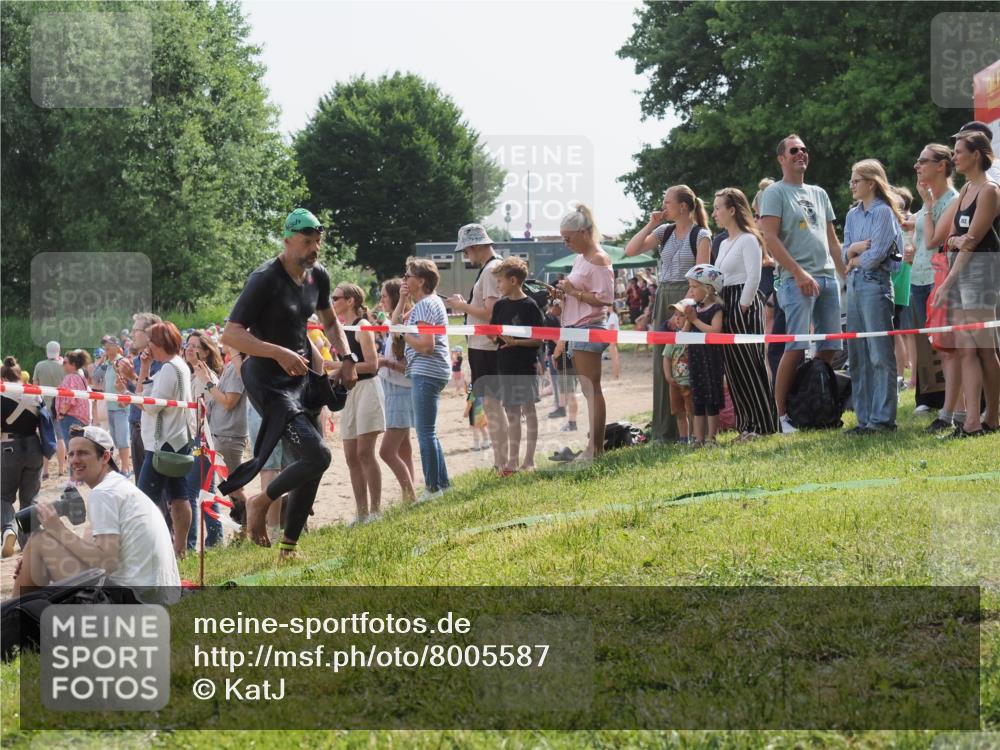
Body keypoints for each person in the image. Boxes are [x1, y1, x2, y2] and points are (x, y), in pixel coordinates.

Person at [219, 208, 356, 558]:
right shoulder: (264, 278)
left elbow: (329, 322)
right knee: (318, 454)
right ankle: (259, 503)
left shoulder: (317, 276)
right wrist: (278, 352)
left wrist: (346, 357)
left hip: (301, 376)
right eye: (307, 242)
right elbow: (231, 335)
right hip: (267, 380)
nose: (314, 249)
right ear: (287, 241)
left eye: (317, 242)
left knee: (313, 463)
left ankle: (289, 549)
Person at [12, 425, 180, 602]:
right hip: (158, 598)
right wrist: (34, 561)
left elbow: (107, 561)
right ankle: (19, 619)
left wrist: (57, 528)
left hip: (133, 602)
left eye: (83, 453)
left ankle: (9, 624)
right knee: (39, 552)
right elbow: (93, 552)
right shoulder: (118, 486)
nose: (74, 460)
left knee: (39, 541)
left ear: (105, 457)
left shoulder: (104, 493)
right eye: (71, 454)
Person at [759, 134, 847, 434]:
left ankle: (815, 404)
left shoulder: (820, 193)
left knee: (831, 346)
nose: (801, 154)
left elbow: (832, 241)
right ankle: (780, 416)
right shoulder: (775, 192)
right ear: (782, 158)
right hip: (795, 280)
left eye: (804, 150)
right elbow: (769, 238)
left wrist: (845, 276)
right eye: (794, 150)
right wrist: (797, 273)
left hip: (826, 277)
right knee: (795, 346)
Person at [624, 184, 712, 443]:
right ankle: (664, 430)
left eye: (667, 202)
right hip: (664, 297)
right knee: (663, 364)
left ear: (683, 206)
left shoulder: (701, 235)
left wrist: (686, 310)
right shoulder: (664, 231)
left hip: (686, 301)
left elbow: (701, 279)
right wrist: (650, 225)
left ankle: (694, 432)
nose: (663, 207)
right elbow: (631, 250)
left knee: (687, 364)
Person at [929, 130, 1000, 437]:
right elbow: (949, 238)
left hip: (982, 273)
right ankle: (971, 420)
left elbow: (971, 242)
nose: (954, 156)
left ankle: (992, 416)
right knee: (966, 349)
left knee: (984, 348)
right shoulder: (967, 189)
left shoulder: (989, 191)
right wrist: (958, 240)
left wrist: (947, 283)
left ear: (977, 155)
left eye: (959, 152)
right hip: (961, 272)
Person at [116, 321, 194, 557]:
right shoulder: (174, 366)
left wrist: (127, 396)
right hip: (174, 441)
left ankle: (149, 553)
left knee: (143, 502)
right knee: (179, 498)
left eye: (150, 341)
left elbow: (150, 407)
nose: (147, 345)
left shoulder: (171, 368)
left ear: (159, 343)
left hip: (162, 444)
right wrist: (144, 369)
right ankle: (179, 550)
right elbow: (146, 395)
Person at [841, 159, 905, 433]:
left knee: (879, 354)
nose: (852, 185)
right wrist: (853, 250)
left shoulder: (883, 213)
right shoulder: (852, 215)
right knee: (857, 354)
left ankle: (883, 419)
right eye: (851, 181)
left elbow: (876, 255)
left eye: (856, 180)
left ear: (871, 183)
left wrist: (855, 259)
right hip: (854, 286)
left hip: (875, 284)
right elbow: (845, 251)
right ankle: (864, 418)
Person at [712, 188, 778, 438]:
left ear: (732, 210)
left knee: (751, 365)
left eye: (719, 208)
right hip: (725, 302)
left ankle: (763, 424)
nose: (715, 213)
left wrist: (744, 305)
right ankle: (747, 424)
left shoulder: (748, 239)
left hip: (743, 303)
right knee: (735, 369)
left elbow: (754, 275)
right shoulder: (725, 242)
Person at [446, 224, 509, 472]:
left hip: (487, 347)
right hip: (485, 346)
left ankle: (502, 461)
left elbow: (490, 312)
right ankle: (502, 460)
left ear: (474, 246)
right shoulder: (493, 267)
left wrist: (463, 306)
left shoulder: (492, 269)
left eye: (466, 251)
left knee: (492, 406)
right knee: (491, 406)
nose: (465, 256)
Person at [556, 204, 615, 460]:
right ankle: (594, 448)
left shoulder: (599, 259)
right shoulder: (581, 259)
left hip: (589, 328)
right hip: (577, 328)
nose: (565, 243)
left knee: (592, 390)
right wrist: (563, 295)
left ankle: (596, 449)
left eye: (568, 238)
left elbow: (606, 299)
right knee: (588, 390)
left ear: (582, 233)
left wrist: (573, 293)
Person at [913, 143, 960, 427]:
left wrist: (928, 208)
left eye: (923, 161)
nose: (917, 166)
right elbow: (921, 237)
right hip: (918, 279)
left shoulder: (951, 199)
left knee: (947, 349)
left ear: (941, 166)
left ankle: (948, 413)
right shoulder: (928, 199)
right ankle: (938, 404)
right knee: (934, 349)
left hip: (937, 280)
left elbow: (932, 241)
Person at [398, 257, 451, 500]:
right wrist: (401, 300)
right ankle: (442, 484)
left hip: (427, 370)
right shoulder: (429, 303)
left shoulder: (425, 306)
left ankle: (432, 488)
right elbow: (395, 320)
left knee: (425, 433)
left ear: (421, 280)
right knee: (430, 431)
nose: (404, 279)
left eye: (408, 275)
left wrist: (404, 335)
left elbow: (427, 346)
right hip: (431, 371)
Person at [332, 283, 385, 523]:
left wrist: (337, 367)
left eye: (337, 298)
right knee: (351, 455)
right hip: (350, 391)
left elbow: (372, 364)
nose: (333, 302)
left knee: (365, 452)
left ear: (350, 300)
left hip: (367, 389)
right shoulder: (341, 329)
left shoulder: (362, 326)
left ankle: (375, 510)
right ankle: (361, 512)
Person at [489, 257, 544, 473]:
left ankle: (529, 460)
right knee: (511, 413)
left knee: (528, 411)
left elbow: (539, 339)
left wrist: (517, 342)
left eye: (500, 281)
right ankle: (512, 460)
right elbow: (493, 334)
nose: (498, 285)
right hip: (505, 364)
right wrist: (496, 338)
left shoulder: (530, 306)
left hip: (525, 365)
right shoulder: (500, 306)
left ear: (513, 280)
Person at [183, 330, 224, 549]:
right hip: (198, 439)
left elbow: (203, 413)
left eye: (195, 346)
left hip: (202, 440)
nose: (189, 349)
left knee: (191, 492)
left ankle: (190, 544)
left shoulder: (205, 378)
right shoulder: (193, 375)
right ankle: (215, 539)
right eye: (187, 345)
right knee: (205, 491)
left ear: (206, 352)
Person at [376, 279, 416, 505]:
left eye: (383, 296)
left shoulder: (404, 322)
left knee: (386, 451)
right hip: (394, 389)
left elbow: (410, 367)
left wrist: (385, 363)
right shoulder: (395, 322)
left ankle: (410, 494)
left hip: (401, 390)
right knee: (404, 447)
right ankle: (408, 496)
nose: (381, 300)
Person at [2, 357, 45, 557]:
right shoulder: (34, 393)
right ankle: (30, 542)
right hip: (35, 447)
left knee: (3, 496)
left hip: (8, 447)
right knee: (30, 499)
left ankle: (8, 529)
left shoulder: (2, 394)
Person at [682, 265, 726, 446]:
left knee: (711, 398)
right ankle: (698, 438)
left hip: (711, 360)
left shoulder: (716, 309)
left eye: (693, 287)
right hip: (696, 359)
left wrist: (695, 320)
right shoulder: (694, 309)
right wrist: (687, 319)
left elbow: (715, 332)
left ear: (707, 289)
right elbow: (684, 334)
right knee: (698, 398)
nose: (690, 291)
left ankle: (711, 437)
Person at [117, 313, 163, 473]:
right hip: (135, 426)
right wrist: (121, 390)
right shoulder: (134, 362)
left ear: (150, 333)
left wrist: (133, 377)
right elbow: (125, 402)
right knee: (142, 485)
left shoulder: (163, 362)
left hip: (156, 430)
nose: (131, 334)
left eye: (135, 330)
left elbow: (152, 398)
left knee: (158, 487)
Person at [891, 187, 918, 392]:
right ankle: (904, 376)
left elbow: (908, 254)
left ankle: (901, 376)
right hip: (900, 282)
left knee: (898, 332)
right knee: (900, 332)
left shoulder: (907, 224)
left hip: (900, 283)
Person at [97, 336, 132, 476]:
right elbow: (95, 377)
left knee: (123, 439)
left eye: (109, 345)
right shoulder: (108, 362)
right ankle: (122, 466)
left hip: (121, 406)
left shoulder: (121, 361)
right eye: (105, 345)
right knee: (116, 439)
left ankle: (126, 468)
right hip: (111, 405)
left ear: (117, 347)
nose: (106, 347)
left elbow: (127, 381)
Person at [32, 340, 64, 477]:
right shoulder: (63, 367)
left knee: (45, 437)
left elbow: (34, 386)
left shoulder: (39, 365)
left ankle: (45, 470)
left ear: (46, 351)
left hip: (44, 406)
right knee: (60, 437)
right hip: (59, 406)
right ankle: (61, 469)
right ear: (59, 351)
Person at [662, 307, 693, 445]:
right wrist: (668, 376)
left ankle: (694, 436)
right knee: (679, 412)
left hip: (690, 382)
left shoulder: (695, 336)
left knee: (692, 411)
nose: (677, 318)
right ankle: (683, 438)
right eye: (675, 315)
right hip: (675, 382)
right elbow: (667, 357)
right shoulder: (673, 336)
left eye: (681, 315)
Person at [54, 350, 92, 459]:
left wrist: (61, 413)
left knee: (73, 453)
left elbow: (70, 400)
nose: (63, 365)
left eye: (65, 362)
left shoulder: (70, 377)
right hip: (81, 419)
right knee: (81, 452)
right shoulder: (81, 377)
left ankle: (74, 476)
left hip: (71, 418)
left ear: (73, 364)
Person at [464, 383, 489, 452]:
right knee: (483, 427)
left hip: (474, 413)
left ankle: (477, 445)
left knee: (475, 429)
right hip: (481, 411)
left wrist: (466, 413)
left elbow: (469, 404)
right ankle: (486, 442)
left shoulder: (471, 393)